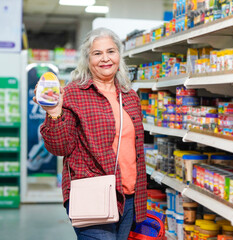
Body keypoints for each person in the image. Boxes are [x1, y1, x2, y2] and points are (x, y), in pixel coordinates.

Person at [33, 27, 147, 239]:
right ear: (88, 59)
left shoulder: (130, 96)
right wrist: (54, 113)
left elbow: (135, 148)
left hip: (129, 195)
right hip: (92, 193)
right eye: (97, 53)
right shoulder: (73, 93)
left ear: (119, 55)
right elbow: (60, 147)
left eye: (111, 51)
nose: (105, 59)